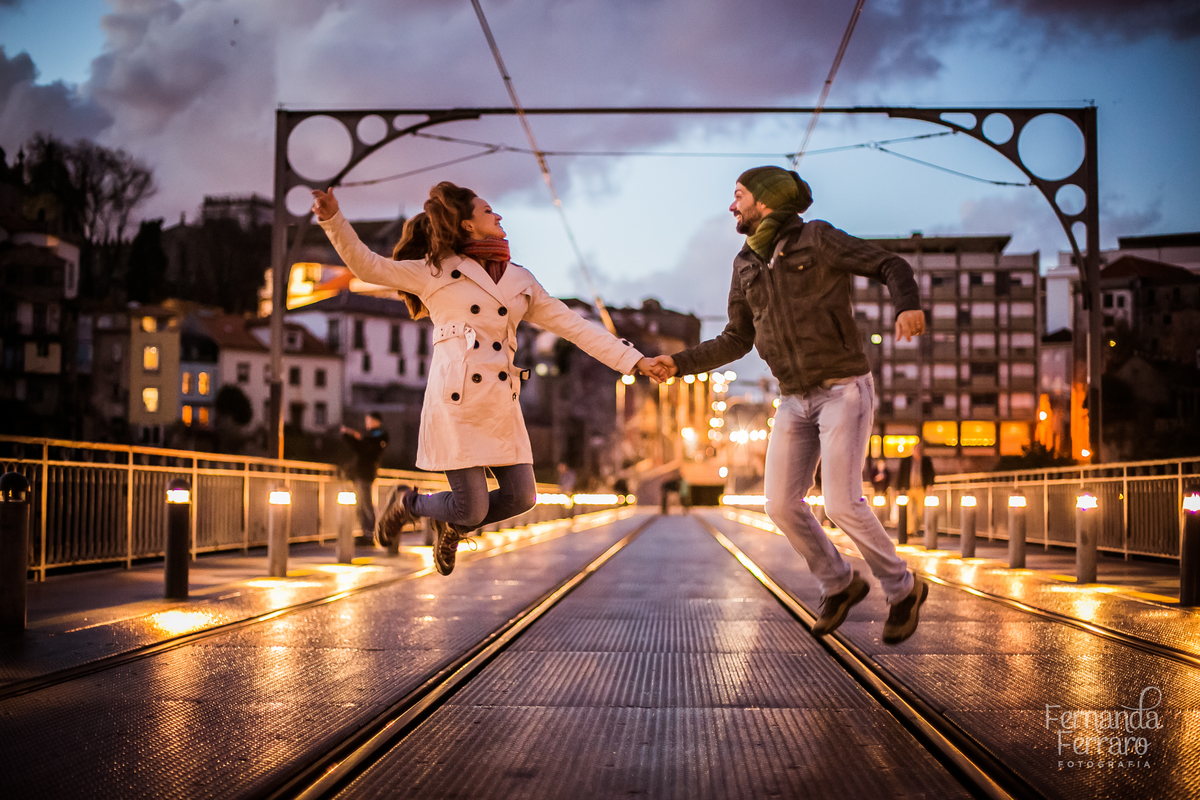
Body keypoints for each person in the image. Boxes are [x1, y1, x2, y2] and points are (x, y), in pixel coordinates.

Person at [312, 182, 660, 575]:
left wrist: (635, 361)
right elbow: (367, 266)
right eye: (488, 211)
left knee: (521, 497)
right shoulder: (435, 273)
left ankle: (451, 523)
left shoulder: (519, 281)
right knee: (473, 506)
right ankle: (410, 504)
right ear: (466, 225)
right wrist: (333, 220)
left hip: (499, 403)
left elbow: (575, 326)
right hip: (457, 401)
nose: (498, 216)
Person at [643, 166, 929, 644]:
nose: (732, 206)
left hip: (843, 389)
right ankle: (839, 582)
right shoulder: (746, 264)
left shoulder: (816, 240)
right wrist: (678, 363)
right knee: (778, 504)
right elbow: (736, 338)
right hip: (794, 400)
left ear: (767, 202)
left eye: (739, 196)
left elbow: (891, 265)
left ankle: (903, 589)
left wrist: (907, 304)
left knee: (841, 502)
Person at [341, 412, 389, 541]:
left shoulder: (379, 437)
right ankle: (365, 532)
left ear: (376, 421)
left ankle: (369, 534)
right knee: (361, 504)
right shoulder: (370, 436)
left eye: (369, 420)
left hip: (366, 474)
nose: (367, 423)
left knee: (366, 504)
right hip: (361, 473)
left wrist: (352, 437)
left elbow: (363, 450)